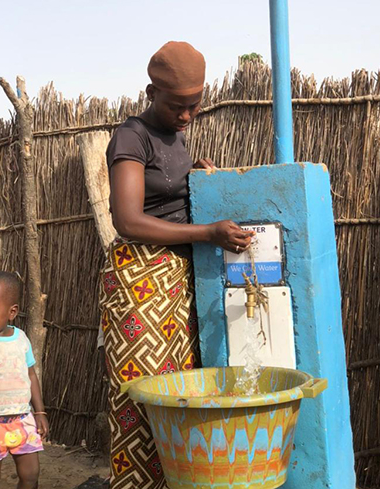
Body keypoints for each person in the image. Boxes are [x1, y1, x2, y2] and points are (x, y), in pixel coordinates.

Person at [100, 41, 254, 489]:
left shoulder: (177, 137)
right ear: (151, 92)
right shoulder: (131, 136)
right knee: (140, 393)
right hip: (139, 279)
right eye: (176, 106)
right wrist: (208, 232)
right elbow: (128, 219)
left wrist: (197, 178)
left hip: (175, 278)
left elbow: (165, 193)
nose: (186, 116)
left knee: (180, 393)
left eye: (194, 106)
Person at [0, 271, 49, 489]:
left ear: (12, 312)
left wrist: (40, 412)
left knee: (30, 475)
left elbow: (31, 375)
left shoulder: (21, 340)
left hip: (21, 419)